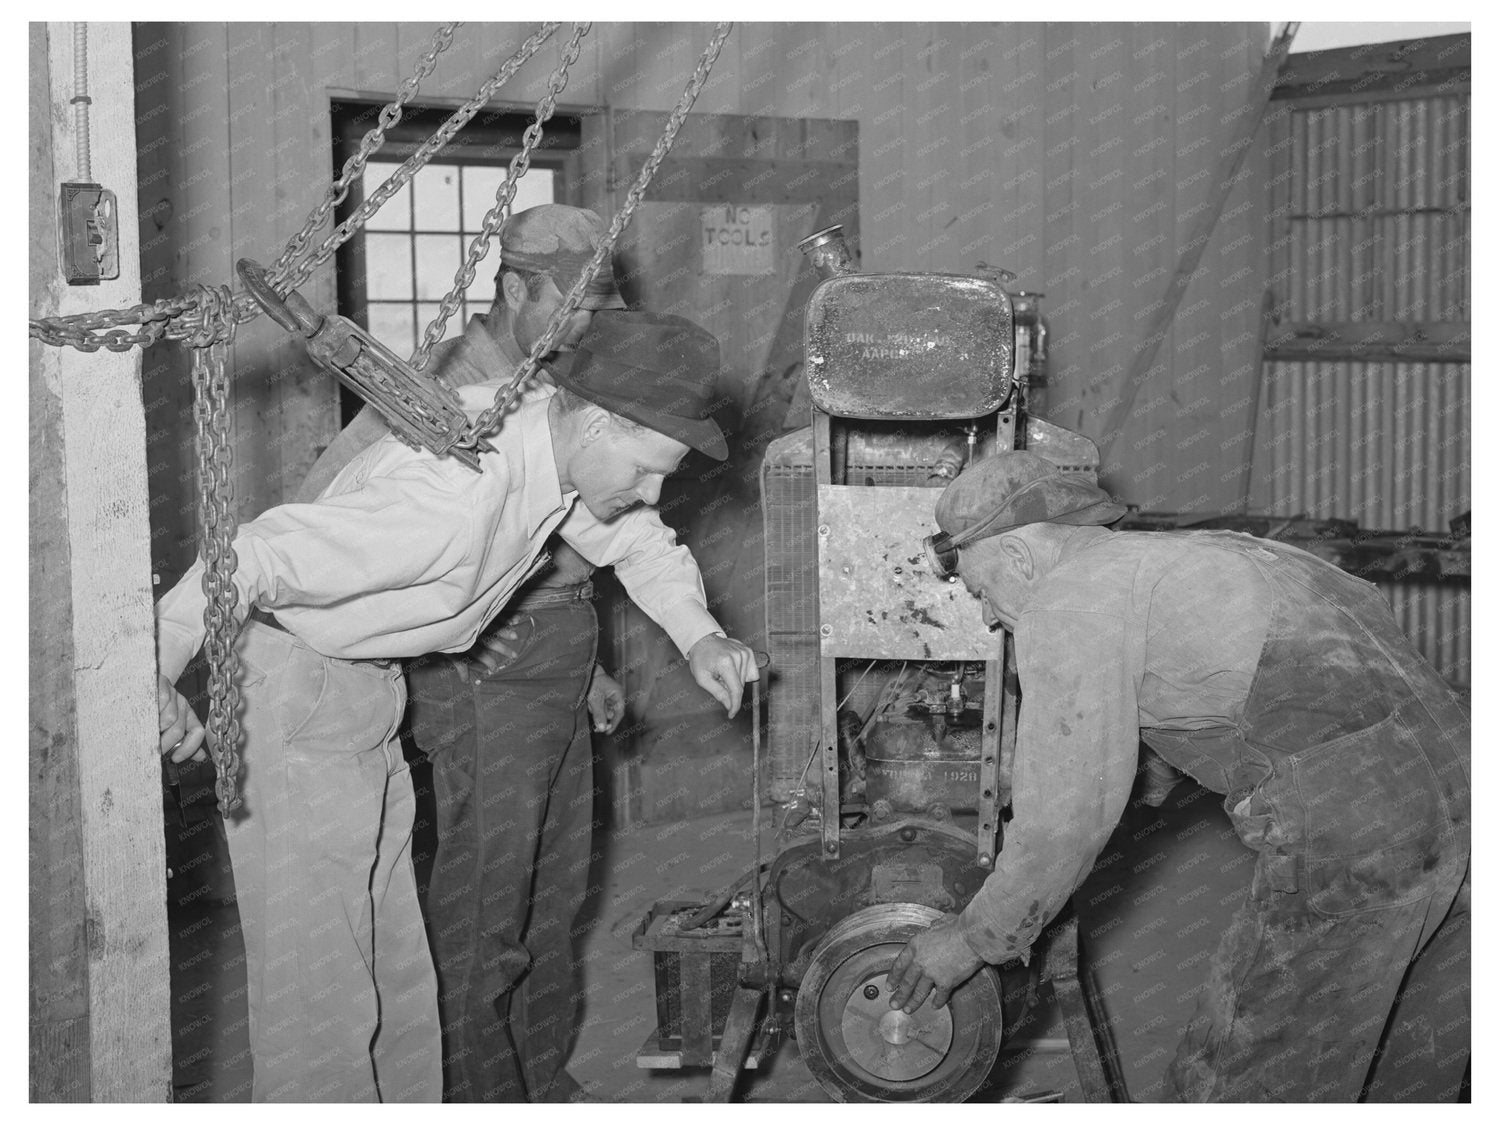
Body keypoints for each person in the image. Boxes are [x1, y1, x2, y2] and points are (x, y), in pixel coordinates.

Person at [155, 309, 759, 1103]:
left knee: (398, 974)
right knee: (324, 992)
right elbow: (255, 555)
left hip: (369, 687)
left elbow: (638, 536)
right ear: (602, 423)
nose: (650, 493)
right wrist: (158, 666)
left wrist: (701, 635)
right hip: (301, 690)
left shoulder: (552, 446)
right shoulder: (451, 498)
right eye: (648, 471)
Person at [885, 451, 1470, 1102]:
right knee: (1406, 1073)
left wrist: (973, 938)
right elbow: (1252, 699)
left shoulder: (1067, 600)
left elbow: (1063, 824)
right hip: (1464, 799)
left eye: (980, 591)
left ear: (1020, 559)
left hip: (1360, 828)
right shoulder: (1201, 558)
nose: (990, 617)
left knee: (1245, 1070)